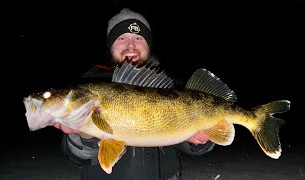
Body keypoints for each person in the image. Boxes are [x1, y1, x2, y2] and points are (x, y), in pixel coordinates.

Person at [53, 8, 215, 180]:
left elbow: (185, 140)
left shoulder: (171, 87)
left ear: (148, 45)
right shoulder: (88, 88)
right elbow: (78, 156)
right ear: (110, 45)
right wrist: (85, 135)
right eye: (122, 38)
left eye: (138, 38)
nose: (130, 46)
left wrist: (199, 142)